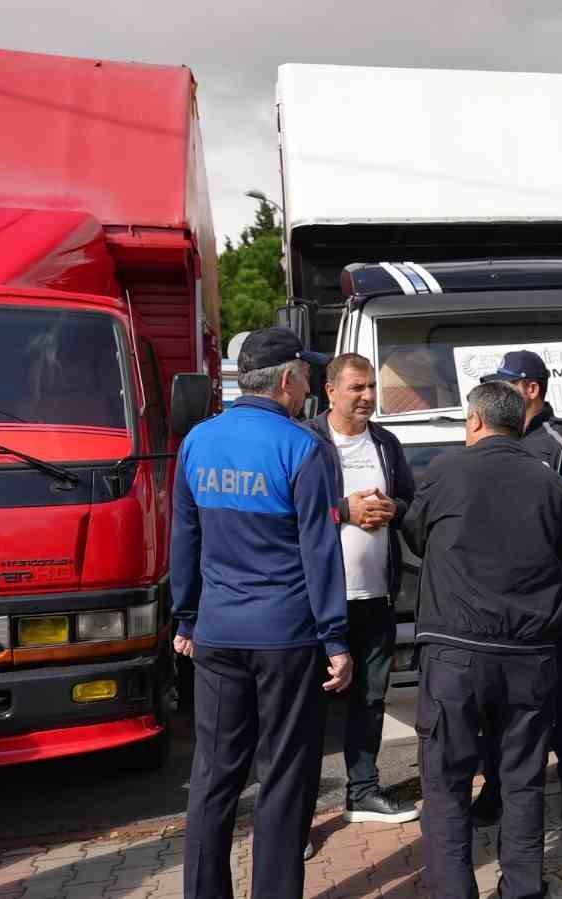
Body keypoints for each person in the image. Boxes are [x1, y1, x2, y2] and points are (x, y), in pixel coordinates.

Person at [170, 327, 351, 899]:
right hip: (285, 637)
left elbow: (186, 538)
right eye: (305, 376)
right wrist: (336, 638)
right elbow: (320, 550)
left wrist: (186, 619)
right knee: (282, 776)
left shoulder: (198, 441)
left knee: (214, 775)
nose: (306, 387)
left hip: (218, 634)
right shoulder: (303, 447)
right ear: (289, 379)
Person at [402, 381, 562, 899]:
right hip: (530, 655)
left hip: (455, 653)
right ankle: (523, 889)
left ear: (474, 421)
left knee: (447, 784)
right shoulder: (552, 485)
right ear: (521, 423)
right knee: (522, 780)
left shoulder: (446, 470)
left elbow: (415, 534)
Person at [472, 349, 562, 826]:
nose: (499, 392)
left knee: (560, 692)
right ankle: (496, 790)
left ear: (532, 389)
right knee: (494, 698)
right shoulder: (485, 435)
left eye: (507, 384)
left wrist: (534, 505)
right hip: (493, 594)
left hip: (549, 592)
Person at [301, 354, 420, 827]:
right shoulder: (307, 441)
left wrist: (395, 508)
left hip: (375, 597)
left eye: (372, 387)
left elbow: (410, 503)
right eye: (356, 388)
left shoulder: (387, 444)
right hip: (317, 602)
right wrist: (341, 512)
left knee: (370, 699)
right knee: (308, 711)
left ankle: (363, 792)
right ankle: (299, 815)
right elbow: (291, 514)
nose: (368, 396)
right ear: (330, 390)